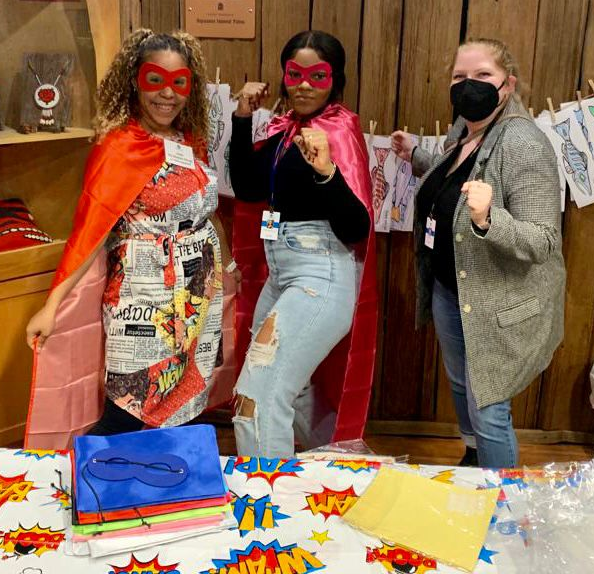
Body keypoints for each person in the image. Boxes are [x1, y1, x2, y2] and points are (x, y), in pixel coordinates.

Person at [25, 29, 238, 443]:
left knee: (182, 400)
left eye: (179, 83)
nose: (167, 95)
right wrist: (52, 306)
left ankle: (159, 493)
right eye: (154, 80)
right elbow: (89, 232)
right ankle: (92, 489)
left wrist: (227, 263)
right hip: (142, 298)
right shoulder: (119, 147)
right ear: (134, 80)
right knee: (127, 407)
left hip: (196, 293)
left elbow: (207, 213)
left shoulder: (188, 140)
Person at [391, 38, 565, 469]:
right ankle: (474, 462)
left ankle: (502, 497)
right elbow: (456, 174)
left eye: (483, 76)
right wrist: (416, 155)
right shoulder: (464, 129)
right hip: (453, 292)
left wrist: (489, 219)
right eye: (460, 77)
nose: (469, 86)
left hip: (496, 303)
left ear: (508, 84)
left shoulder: (523, 142)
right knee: (462, 388)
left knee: (489, 410)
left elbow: (544, 240)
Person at [229, 30, 377, 458]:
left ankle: (264, 502)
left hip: (320, 273)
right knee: (293, 393)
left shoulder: (338, 132)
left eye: (318, 74)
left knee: (255, 398)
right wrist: (242, 118)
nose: (305, 84)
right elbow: (248, 185)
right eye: (295, 73)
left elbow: (355, 228)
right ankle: (348, 472)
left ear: (336, 79)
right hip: (284, 273)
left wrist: (327, 172)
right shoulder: (285, 128)